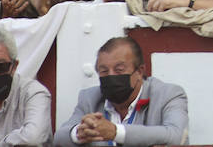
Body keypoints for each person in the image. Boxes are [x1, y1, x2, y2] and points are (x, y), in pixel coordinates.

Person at [52, 37, 188, 147]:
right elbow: (60, 137)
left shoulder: (168, 94)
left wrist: (116, 132)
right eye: (104, 71)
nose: (111, 76)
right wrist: (79, 133)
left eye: (119, 70)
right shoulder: (90, 97)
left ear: (140, 71)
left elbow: (177, 135)